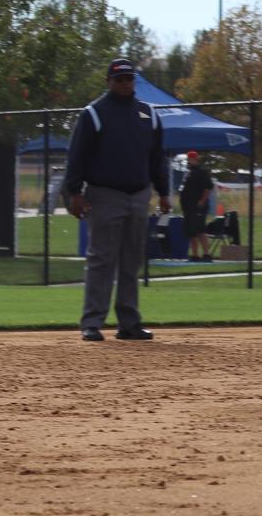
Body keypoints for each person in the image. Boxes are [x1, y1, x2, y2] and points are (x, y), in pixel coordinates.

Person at [64, 58, 172, 341]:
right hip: (105, 194)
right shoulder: (94, 113)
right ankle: (92, 322)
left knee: (131, 260)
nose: (125, 84)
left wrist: (164, 192)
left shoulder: (148, 114)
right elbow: (77, 156)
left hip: (139, 194)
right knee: (101, 258)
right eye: (120, 79)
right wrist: (74, 193)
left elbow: (157, 158)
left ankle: (129, 322)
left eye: (129, 79)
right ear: (109, 81)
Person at [177, 151, 215, 260]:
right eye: (188, 159)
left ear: (196, 160)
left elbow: (208, 187)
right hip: (188, 207)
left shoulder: (202, 172)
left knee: (200, 230)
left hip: (198, 206)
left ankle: (207, 254)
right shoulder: (188, 173)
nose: (189, 161)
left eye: (191, 159)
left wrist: (202, 201)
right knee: (192, 231)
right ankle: (195, 255)